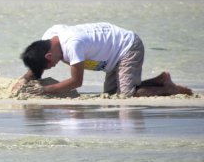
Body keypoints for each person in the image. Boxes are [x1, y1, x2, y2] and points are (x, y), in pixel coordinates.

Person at [17, 22, 192, 97]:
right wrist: (24, 79)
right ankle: (160, 79)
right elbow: (38, 60)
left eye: (51, 65)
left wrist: (46, 90)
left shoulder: (72, 44)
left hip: (127, 47)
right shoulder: (48, 39)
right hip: (111, 58)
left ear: (49, 55)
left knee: (126, 95)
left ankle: (170, 88)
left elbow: (76, 81)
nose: (54, 66)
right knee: (110, 95)